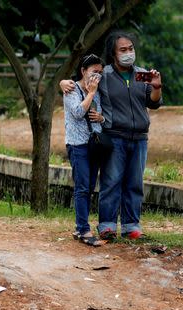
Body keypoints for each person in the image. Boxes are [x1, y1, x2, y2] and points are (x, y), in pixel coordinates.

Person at [60, 31, 162, 239]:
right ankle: (106, 225)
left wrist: (157, 86)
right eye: (122, 50)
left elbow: (153, 102)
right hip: (114, 136)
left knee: (135, 182)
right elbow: (80, 82)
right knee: (111, 181)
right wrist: (62, 82)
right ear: (113, 54)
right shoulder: (103, 74)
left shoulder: (141, 75)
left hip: (140, 137)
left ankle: (131, 226)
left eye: (131, 48)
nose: (128, 53)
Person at [64, 54, 105, 246]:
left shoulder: (98, 91)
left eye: (100, 72)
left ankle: (80, 226)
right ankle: (83, 230)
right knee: (81, 187)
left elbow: (102, 114)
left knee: (88, 187)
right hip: (77, 145)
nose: (97, 76)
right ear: (83, 71)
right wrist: (90, 93)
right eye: (94, 72)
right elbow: (78, 113)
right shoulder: (71, 89)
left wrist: (101, 118)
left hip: (94, 144)